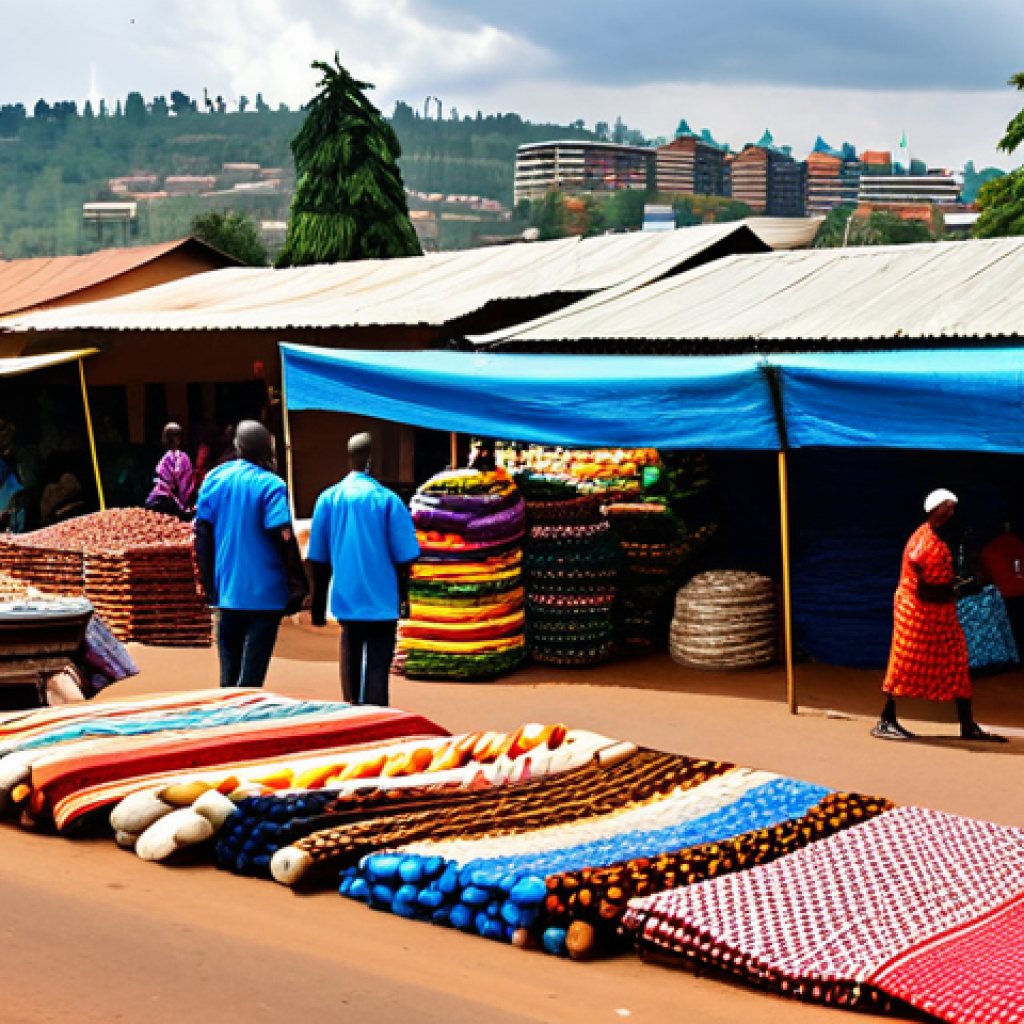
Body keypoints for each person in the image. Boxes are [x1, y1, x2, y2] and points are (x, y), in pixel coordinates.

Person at [874, 488, 1006, 743]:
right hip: (917, 614)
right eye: (946, 509)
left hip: (940, 614)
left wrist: (952, 589)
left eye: (952, 509)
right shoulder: (923, 544)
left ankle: (967, 725)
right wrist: (953, 590)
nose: (950, 513)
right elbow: (925, 590)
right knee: (903, 664)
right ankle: (886, 719)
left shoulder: (935, 538)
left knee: (957, 661)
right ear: (935, 511)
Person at [308, 432, 419, 706]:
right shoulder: (387, 500)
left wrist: (318, 609)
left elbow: (318, 560)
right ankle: (376, 715)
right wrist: (404, 598)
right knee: (378, 666)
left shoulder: (328, 498)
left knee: (350, 652)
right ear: (371, 460)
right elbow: (406, 556)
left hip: (346, 598)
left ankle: (351, 710)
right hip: (381, 600)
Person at [193, 421, 307, 689]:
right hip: (265, 598)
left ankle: (228, 724)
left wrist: (209, 585)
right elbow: (284, 538)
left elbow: (202, 537)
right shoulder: (271, 486)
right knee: (251, 681)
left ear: (237, 446)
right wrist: (298, 586)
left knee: (228, 678)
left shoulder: (215, 479)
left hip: (227, 595)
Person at [145, 423, 195, 521]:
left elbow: (182, 485)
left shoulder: (179, 457)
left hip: (168, 501)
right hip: (166, 501)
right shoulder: (172, 456)